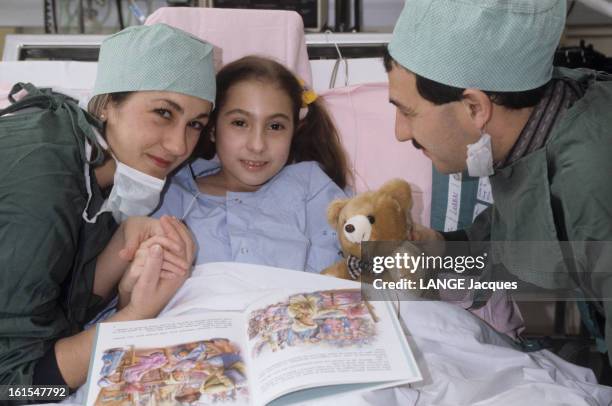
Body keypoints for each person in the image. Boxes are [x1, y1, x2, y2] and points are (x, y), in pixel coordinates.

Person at [385, 0, 612, 364]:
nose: (399, 133)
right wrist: (443, 247)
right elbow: (517, 237)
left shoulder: (593, 186)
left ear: (475, 108)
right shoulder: (535, 129)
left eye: (407, 112)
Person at [0, 23, 216, 388]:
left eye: (194, 124)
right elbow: (18, 385)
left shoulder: (89, 161)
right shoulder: (45, 181)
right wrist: (135, 316)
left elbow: (55, 313)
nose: (180, 146)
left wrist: (120, 248)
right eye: (163, 113)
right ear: (107, 103)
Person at [155, 56, 350, 273]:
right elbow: (138, 294)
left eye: (275, 126)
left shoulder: (313, 189)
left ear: (294, 131)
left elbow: (379, 272)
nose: (257, 145)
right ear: (212, 128)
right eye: (240, 123)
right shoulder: (170, 194)